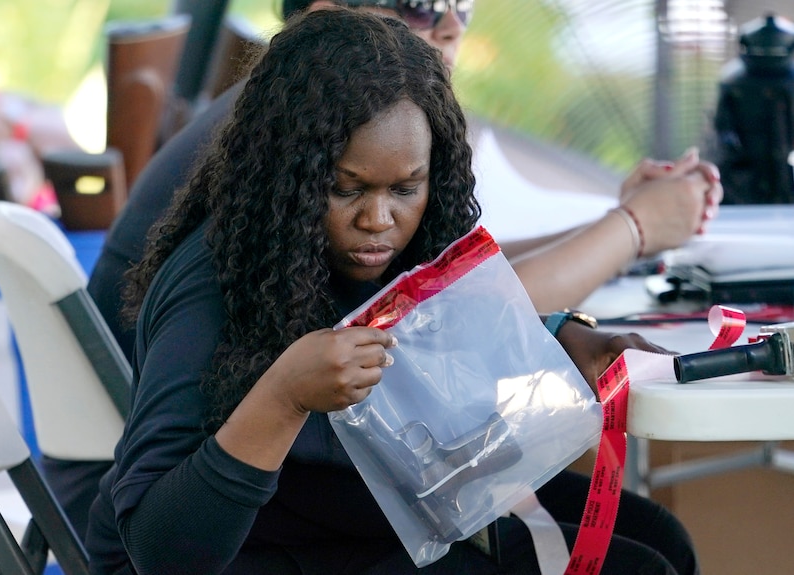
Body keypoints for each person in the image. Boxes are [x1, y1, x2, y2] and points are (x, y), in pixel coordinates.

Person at [84, 9, 697, 574]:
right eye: (347, 190)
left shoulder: (401, 237)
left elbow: (436, 330)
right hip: (255, 549)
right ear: (290, 178)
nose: (379, 219)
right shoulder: (213, 280)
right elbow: (157, 552)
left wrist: (565, 335)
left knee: (656, 535)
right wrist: (283, 398)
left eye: (406, 189)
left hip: (350, 505)